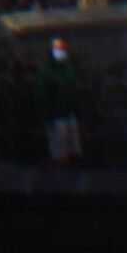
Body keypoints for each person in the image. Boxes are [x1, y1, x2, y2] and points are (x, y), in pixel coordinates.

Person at [40, 34, 82, 165]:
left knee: (73, 145)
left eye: (62, 49)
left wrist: (77, 110)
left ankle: (71, 161)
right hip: (55, 114)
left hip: (69, 112)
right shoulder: (46, 71)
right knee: (58, 147)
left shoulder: (69, 68)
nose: (60, 52)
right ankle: (60, 162)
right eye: (57, 49)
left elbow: (73, 90)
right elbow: (42, 95)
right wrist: (44, 115)